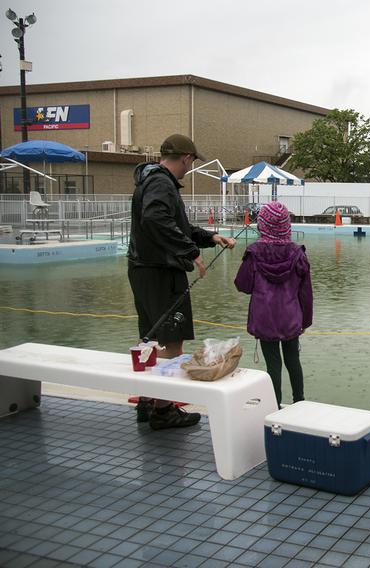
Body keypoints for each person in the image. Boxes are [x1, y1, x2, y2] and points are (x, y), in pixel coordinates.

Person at [128, 134, 236, 429]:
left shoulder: (150, 179)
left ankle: (148, 401)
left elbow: (176, 224)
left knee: (149, 339)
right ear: (186, 158)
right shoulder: (161, 183)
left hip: (144, 269)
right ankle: (163, 410)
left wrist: (209, 238)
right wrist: (189, 252)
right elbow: (155, 219)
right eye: (191, 161)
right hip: (160, 272)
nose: (190, 167)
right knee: (172, 343)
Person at [235, 202, 313, 405]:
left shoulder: (254, 253)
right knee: (293, 360)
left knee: (273, 363)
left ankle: (275, 405)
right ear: (287, 224)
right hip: (290, 316)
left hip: (264, 317)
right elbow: (306, 293)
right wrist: (306, 321)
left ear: (262, 224)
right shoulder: (298, 254)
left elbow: (242, 285)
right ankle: (299, 402)